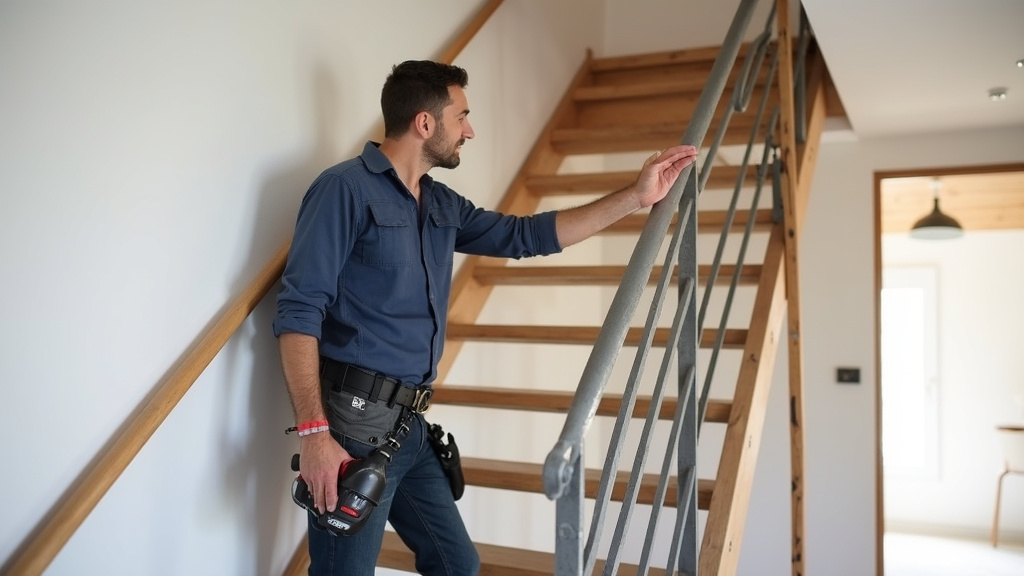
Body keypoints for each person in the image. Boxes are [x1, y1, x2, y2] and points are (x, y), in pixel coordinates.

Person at [273, 59, 698, 576]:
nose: (469, 129)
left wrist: (637, 197)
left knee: (457, 564)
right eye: (463, 116)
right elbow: (299, 311)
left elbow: (528, 236)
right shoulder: (344, 189)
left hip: (408, 426)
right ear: (425, 123)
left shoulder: (439, 203)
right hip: (352, 426)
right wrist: (316, 434)